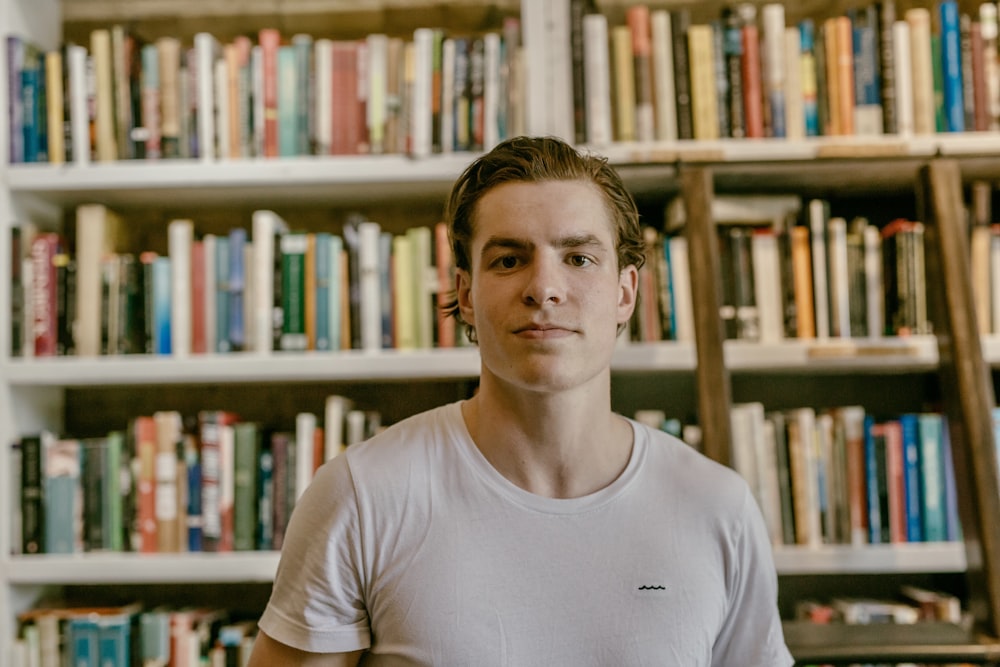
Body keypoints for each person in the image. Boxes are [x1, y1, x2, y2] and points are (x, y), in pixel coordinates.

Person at [247, 136, 793, 666]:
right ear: (464, 294)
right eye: (509, 261)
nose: (543, 288)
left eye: (578, 258)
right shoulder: (361, 496)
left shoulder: (717, 507)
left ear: (626, 292)